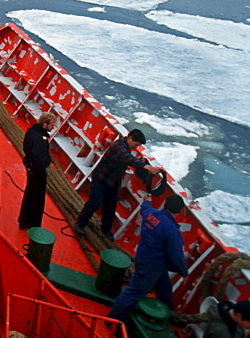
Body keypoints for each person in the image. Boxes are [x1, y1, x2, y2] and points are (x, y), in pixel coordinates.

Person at [107, 194, 188, 322]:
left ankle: (168, 313)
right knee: (133, 293)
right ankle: (112, 320)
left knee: (165, 288)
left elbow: (145, 209)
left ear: (165, 204)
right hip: (151, 266)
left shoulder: (152, 214)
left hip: (143, 256)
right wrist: (184, 272)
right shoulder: (172, 230)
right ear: (180, 211)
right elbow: (176, 255)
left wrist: (147, 201)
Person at [75, 128, 163, 241]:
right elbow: (127, 157)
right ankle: (80, 224)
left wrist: (140, 161)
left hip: (114, 181)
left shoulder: (125, 147)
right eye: (135, 145)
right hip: (101, 178)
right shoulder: (118, 146)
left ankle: (106, 230)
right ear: (130, 138)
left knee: (111, 207)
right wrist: (147, 167)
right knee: (94, 203)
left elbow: (127, 158)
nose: (135, 148)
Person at [18, 112, 57, 230]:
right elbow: (39, 157)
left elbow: (26, 146)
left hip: (30, 167)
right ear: (44, 124)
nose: (53, 127)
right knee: (37, 198)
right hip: (37, 171)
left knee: (29, 194)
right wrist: (44, 165)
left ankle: (23, 221)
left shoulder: (31, 130)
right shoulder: (41, 139)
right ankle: (33, 223)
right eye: (51, 125)